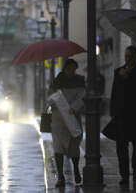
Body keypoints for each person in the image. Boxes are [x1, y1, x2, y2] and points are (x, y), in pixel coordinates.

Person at [110, 45, 136, 185]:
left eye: (131, 56)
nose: (128, 59)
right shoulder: (118, 72)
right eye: (126, 56)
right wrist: (113, 113)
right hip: (121, 116)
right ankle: (124, 175)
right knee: (121, 148)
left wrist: (127, 78)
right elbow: (114, 93)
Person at [48, 58, 85, 187]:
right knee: (58, 147)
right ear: (65, 69)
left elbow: (82, 97)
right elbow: (50, 100)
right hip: (58, 119)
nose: (71, 71)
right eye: (69, 68)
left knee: (74, 146)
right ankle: (61, 177)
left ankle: (76, 169)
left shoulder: (80, 81)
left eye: (73, 69)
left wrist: (74, 108)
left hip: (73, 118)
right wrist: (52, 95)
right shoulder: (56, 82)